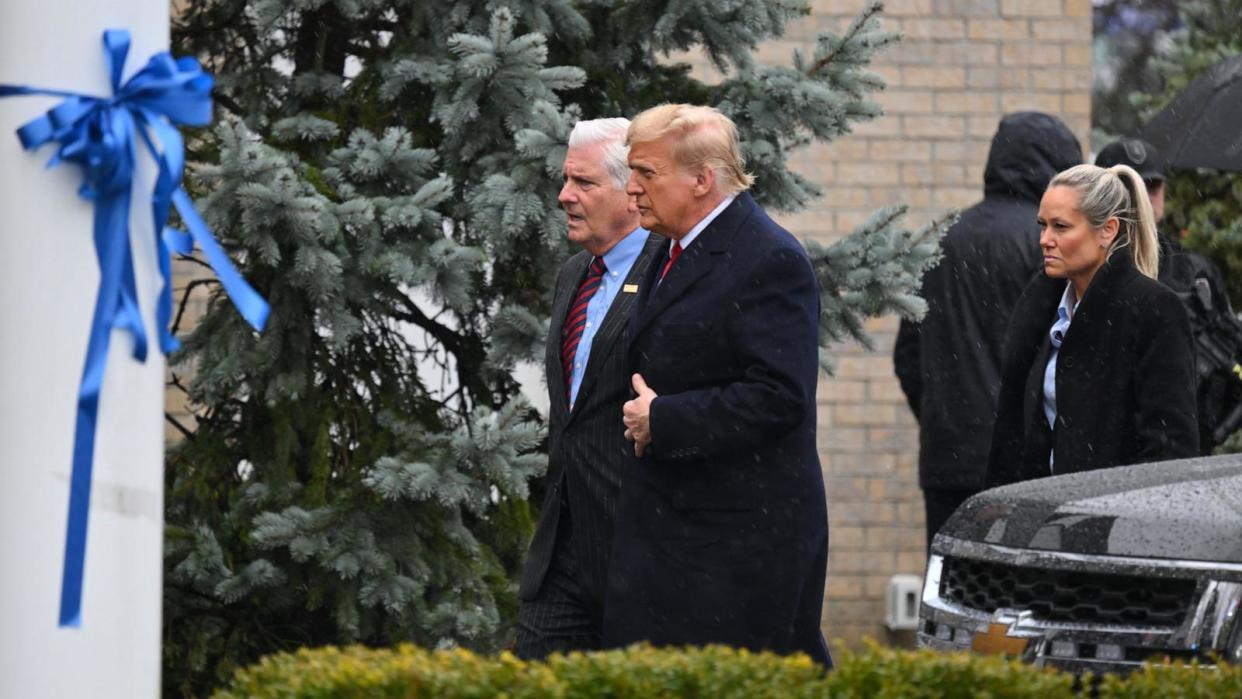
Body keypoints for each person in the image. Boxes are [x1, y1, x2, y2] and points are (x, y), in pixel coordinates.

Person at [604, 104, 831, 666]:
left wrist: (665, 419)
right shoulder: (666, 246)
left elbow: (780, 397)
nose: (630, 189)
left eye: (647, 173)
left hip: (736, 546)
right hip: (674, 534)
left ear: (702, 179)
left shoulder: (768, 257)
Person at [892, 112, 1082, 549]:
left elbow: (907, 354)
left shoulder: (942, 239)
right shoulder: (1049, 246)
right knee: (1019, 592)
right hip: (1025, 464)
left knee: (953, 587)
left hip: (948, 459)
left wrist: (944, 416)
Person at [514, 118, 664, 659]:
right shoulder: (573, 274)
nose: (564, 196)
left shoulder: (668, 274)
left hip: (636, 553)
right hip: (561, 551)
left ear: (631, 192)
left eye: (583, 184)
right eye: (564, 181)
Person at [985, 163, 1199, 488]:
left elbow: (1170, 448)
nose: (1045, 239)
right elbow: (1016, 429)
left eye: (1061, 227)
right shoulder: (1040, 307)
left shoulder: (1153, 309)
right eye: (1042, 225)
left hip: (1118, 524)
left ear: (1108, 230)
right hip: (1041, 519)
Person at [1095, 138, 1236, 452]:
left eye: (1152, 185)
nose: (1143, 196)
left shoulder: (1196, 273)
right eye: (1129, 187)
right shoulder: (1080, 268)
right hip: (1103, 449)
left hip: (1182, 441)